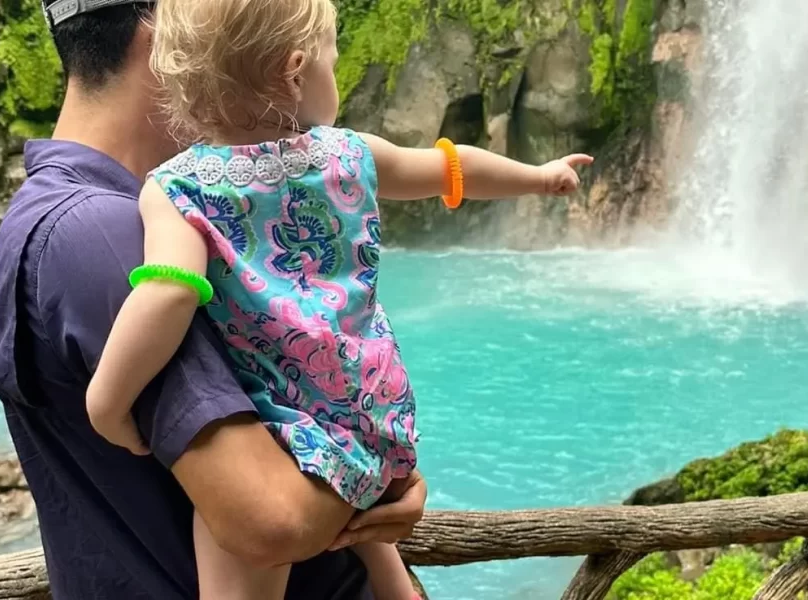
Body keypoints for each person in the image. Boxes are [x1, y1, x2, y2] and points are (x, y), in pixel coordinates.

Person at [82, 0, 594, 598]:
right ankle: (394, 582)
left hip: (299, 435)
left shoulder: (178, 190)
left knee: (225, 532)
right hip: (382, 416)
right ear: (296, 70)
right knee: (360, 503)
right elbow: (451, 169)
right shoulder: (349, 156)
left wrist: (107, 402)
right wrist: (538, 175)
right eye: (334, 60)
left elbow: (168, 292)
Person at [0, 1, 427, 598]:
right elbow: (274, 521)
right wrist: (375, 471)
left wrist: (385, 471)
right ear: (162, 40)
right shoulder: (106, 235)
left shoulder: (155, 214)